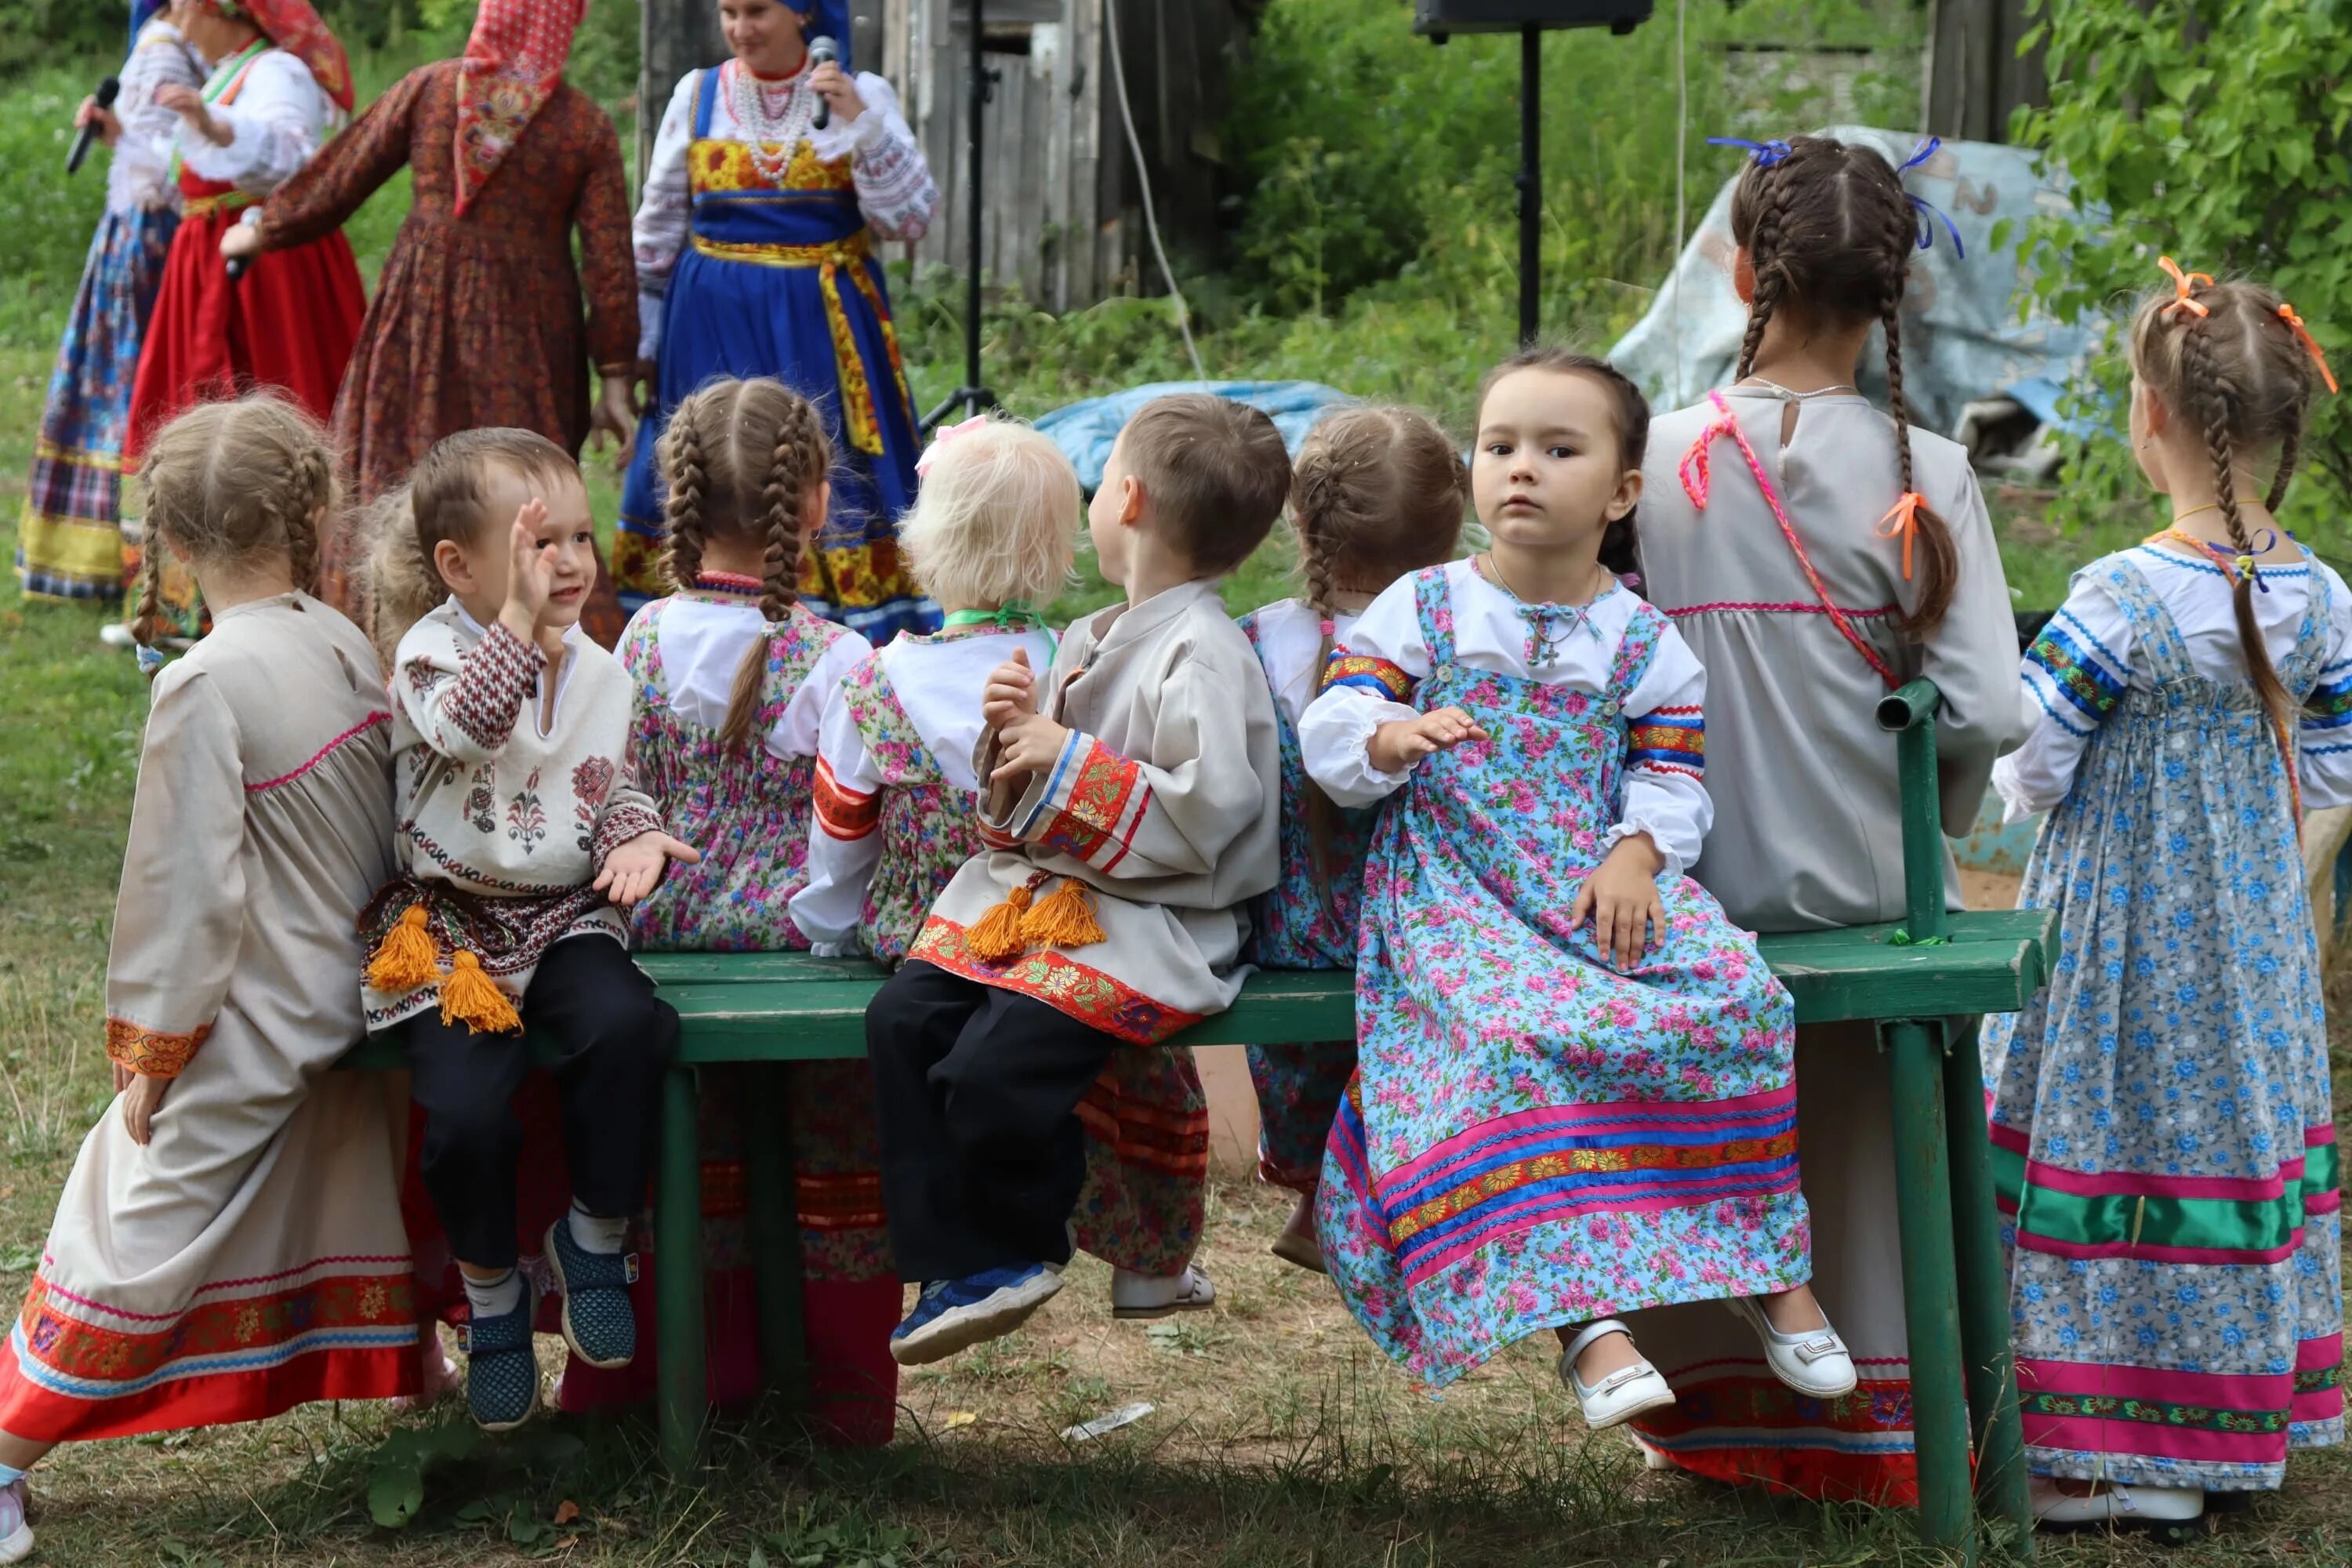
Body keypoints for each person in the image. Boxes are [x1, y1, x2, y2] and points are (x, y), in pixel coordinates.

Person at [1300, 350, 1849, 1428]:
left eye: (1560, 449)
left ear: (1623, 490)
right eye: (1500, 445)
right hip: (1457, 889)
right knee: (1508, 1036)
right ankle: (1587, 1328)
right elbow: (1331, 728)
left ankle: (1767, 1270)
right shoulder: (1427, 608)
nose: (1522, 469)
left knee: (1736, 1000)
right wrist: (1389, 734)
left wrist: (1641, 851)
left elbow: (1673, 769)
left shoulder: (1642, 637)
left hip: (1595, 883)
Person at [1627, 135, 2024, 1498]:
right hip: (1866, 889)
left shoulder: (1652, 458)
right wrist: (1921, 818)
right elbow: (1980, 711)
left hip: (1675, 897)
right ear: (1894, 296)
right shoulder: (1928, 473)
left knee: (1704, 1141)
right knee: (1861, 1139)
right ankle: (1868, 1427)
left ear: (1743, 272)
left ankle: (1708, 1417)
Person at [0, 397, 420, 1565]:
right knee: (354, 1179)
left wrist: (154, 1050)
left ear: (169, 548)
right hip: (370, 991)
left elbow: (185, 895)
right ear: (312, 514)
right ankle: (420, 1382)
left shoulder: (202, 683)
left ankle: (4, 1452)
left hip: (272, 1008)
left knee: (124, 1212)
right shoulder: (340, 638)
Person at [1982, 265, 2345, 1528]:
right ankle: (2206, 1434)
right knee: (2221, 1142)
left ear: (2150, 417)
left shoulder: (2119, 597)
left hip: (2117, 940)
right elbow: (2339, 767)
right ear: (2286, 425)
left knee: (2104, 1131)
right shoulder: (2321, 596)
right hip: (2249, 946)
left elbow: (2030, 757)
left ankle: (2102, 1448)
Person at [866, 394, 1290, 1365]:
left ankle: (1019, 1241)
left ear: (1128, 498)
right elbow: (1025, 796)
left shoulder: (1207, 653)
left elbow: (1208, 813)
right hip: (1054, 898)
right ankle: (957, 1261)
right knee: (901, 1020)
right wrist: (1013, 735)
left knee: (989, 1071)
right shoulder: (1099, 632)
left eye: (1102, 486)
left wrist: (1060, 754)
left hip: (1154, 917)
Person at [792, 415, 1219, 1327]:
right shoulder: (1078, 659)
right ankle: (1148, 1256)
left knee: (920, 1023)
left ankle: (966, 1263)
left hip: (927, 930)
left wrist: (827, 923)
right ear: (1054, 548)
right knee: (1086, 1042)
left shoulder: (873, 678)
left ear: (922, 540)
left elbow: (841, 834)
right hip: (1063, 924)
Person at [357, 427, 700, 1432]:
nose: (570, 562)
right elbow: (472, 725)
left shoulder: (596, 668)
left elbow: (601, 780)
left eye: (582, 538)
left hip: (562, 915)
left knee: (631, 1025)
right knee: (464, 1113)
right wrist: (513, 621)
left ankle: (592, 1231)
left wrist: (634, 834)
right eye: (539, 543)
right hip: (450, 927)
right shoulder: (429, 657)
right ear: (460, 566)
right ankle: (491, 1291)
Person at [601, 376, 893, 1439]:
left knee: (685, 1162)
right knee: (836, 1160)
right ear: (813, 503)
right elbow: (855, 835)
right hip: (800, 945)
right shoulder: (843, 658)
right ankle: (842, 1395)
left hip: (665, 940)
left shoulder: (638, 644)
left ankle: (681, 1377)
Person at [238, 0, 639, 644]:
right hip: (528, 339)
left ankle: (377, 639)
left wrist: (264, 228)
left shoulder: (432, 90)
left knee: (398, 471)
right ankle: (537, 652)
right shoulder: (583, 126)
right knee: (523, 485)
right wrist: (615, 373)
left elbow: (345, 171)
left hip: (417, 325)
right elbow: (609, 267)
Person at [620, 0, 940, 641]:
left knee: (820, 459)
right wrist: (644, 344)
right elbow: (656, 233)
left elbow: (909, 220)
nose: (741, 29)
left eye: (758, 11)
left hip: (820, 329)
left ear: (802, 14)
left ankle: (836, 634)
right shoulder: (697, 95)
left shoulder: (861, 94)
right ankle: (703, 620)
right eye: (729, 12)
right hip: (709, 325)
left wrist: (862, 125)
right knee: (717, 452)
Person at [1235, 407, 1466, 1274]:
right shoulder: (1453, 645)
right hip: (1417, 929)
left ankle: (1313, 1190)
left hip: (1291, 930)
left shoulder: (1256, 638)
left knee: (1306, 1046)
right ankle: (1363, 1197)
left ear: (1301, 520)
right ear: (1451, 538)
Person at [111, 0, 365, 646]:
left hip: (264, 270)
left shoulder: (277, 70)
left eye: (182, 3)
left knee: (263, 408)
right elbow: (189, 171)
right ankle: (182, 606)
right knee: (193, 411)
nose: (171, 14)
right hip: (207, 259)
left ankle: (284, 593)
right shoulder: (229, 72)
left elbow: (294, 159)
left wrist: (214, 124)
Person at [16, 2, 202, 602]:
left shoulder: (166, 50)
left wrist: (121, 135)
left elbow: (177, 172)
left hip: (147, 239)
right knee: (118, 390)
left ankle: (141, 566)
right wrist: (116, 137)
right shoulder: (159, 44)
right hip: (131, 235)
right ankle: (112, 560)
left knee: (131, 391)